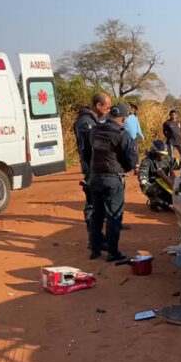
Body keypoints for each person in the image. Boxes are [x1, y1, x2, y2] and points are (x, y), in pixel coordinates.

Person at [87, 103, 139, 261]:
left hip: (95, 177)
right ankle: (112, 252)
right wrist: (128, 168)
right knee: (113, 216)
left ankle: (95, 249)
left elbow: (89, 150)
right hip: (113, 178)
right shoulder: (122, 134)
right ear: (123, 119)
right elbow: (132, 158)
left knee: (97, 215)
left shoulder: (94, 130)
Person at [74, 93, 111, 250]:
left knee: (98, 204)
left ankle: (97, 237)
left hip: (97, 167)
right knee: (92, 204)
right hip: (92, 169)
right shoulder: (85, 122)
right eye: (107, 107)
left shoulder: (93, 120)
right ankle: (94, 239)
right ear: (98, 105)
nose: (109, 111)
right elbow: (90, 147)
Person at [138, 139, 176, 211]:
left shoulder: (167, 159)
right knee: (158, 206)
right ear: (154, 152)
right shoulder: (147, 161)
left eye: (164, 154)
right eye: (160, 154)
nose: (163, 156)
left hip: (165, 184)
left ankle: (166, 203)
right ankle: (155, 202)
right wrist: (143, 180)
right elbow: (143, 171)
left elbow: (178, 163)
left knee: (174, 198)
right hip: (152, 186)